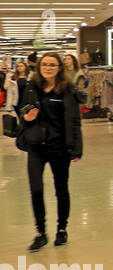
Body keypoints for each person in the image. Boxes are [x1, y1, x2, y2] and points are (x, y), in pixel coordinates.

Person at [16, 52, 83, 251]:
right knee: (36, 188)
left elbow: (75, 121)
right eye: (45, 64)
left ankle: (62, 229)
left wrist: (77, 149)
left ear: (59, 68)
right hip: (36, 146)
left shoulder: (68, 89)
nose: (48, 68)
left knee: (61, 189)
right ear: (39, 67)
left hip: (59, 146)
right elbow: (22, 110)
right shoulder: (31, 87)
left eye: (52, 65)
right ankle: (40, 232)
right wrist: (26, 118)